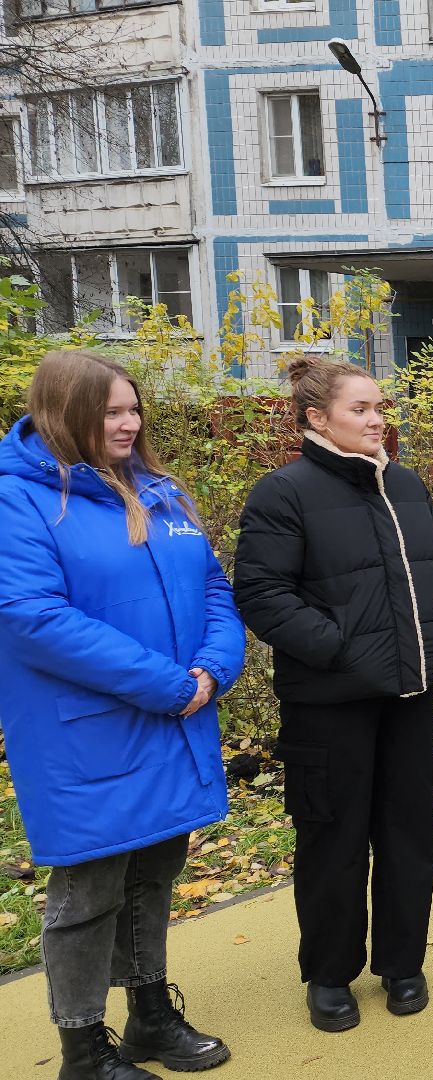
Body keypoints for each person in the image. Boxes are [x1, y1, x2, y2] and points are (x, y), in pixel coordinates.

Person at [0, 349, 245, 1080]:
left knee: (155, 870)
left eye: (133, 408)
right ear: (66, 412)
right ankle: (81, 1048)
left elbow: (213, 588)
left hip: (174, 715)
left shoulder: (159, 489)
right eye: (111, 412)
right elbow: (30, 616)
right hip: (91, 734)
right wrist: (168, 684)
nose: (129, 422)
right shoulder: (21, 499)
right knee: (88, 889)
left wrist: (213, 666)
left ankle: (149, 1018)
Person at [232, 355, 433, 1032]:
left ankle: (403, 964)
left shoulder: (407, 486)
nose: (377, 420)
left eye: (380, 408)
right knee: (332, 843)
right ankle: (329, 975)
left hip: (408, 697)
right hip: (328, 706)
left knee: (409, 837)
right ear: (317, 418)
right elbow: (262, 594)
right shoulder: (283, 493)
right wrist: (341, 650)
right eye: (361, 409)